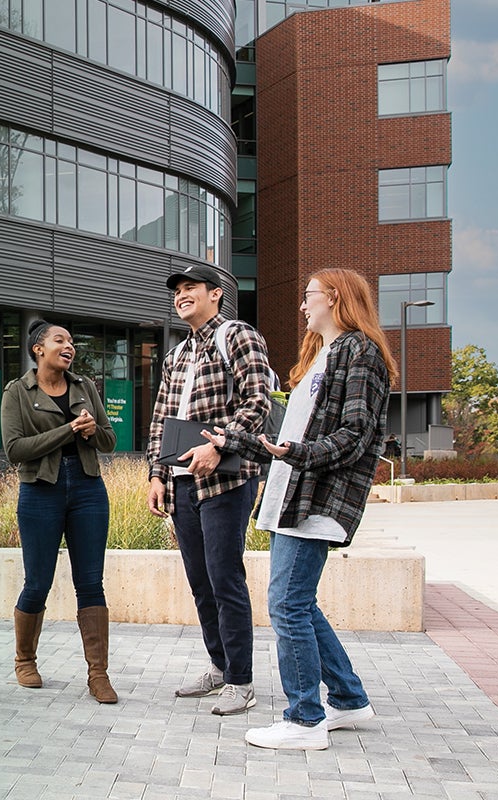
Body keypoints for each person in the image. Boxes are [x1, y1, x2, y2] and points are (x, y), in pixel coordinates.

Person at [203, 269, 390, 749]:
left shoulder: (360, 352)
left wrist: (296, 453)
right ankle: (348, 699)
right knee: (299, 604)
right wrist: (234, 440)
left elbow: (355, 435)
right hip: (293, 497)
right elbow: (288, 441)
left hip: (319, 499)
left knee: (287, 606)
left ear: (335, 297)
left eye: (309, 296)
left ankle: (305, 720)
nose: (303, 306)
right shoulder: (323, 356)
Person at [145, 263, 275, 716]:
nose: (181, 296)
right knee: (201, 583)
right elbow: (161, 419)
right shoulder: (176, 356)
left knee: (225, 578)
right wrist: (156, 475)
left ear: (215, 294)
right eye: (176, 291)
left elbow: (258, 399)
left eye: (190, 288)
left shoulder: (237, 336)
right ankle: (220, 666)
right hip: (181, 483)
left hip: (227, 479)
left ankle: (241, 680)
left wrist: (221, 444)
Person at [0, 319, 119, 702]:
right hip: (40, 491)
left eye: (71, 341)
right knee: (38, 582)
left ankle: (98, 674)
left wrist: (92, 431)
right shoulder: (18, 391)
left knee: (91, 582)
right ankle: (25, 659)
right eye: (59, 340)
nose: (69, 346)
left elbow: (110, 441)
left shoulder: (85, 387)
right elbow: (15, 449)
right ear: (38, 349)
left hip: (88, 488)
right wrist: (68, 430)